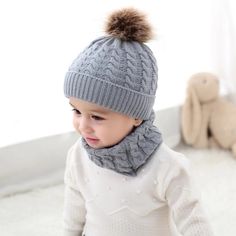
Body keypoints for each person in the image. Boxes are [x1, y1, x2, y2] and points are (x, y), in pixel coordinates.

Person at [63, 8, 214, 236]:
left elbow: (195, 224)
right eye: (76, 111)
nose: (83, 126)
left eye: (97, 117)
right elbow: (73, 217)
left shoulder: (168, 166)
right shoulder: (78, 156)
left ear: (136, 115)